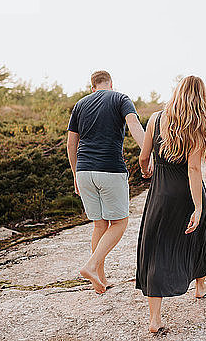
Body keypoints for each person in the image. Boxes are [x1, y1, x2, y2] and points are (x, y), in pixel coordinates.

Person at [136, 75, 206, 333]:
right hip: (187, 192)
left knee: (157, 247)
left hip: (160, 193)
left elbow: (144, 157)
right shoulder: (199, 125)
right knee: (199, 235)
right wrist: (198, 206)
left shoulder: (156, 119)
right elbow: (193, 168)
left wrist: (147, 171)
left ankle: (155, 318)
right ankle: (200, 285)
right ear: (201, 98)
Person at [67, 70, 151, 294]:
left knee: (99, 224)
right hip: (110, 169)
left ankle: (99, 280)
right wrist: (147, 154)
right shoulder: (120, 98)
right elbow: (134, 125)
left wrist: (76, 174)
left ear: (92, 87)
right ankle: (91, 266)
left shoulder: (80, 105)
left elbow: (71, 144)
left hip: (84, 171)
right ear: (111, 84)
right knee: (119, 223)